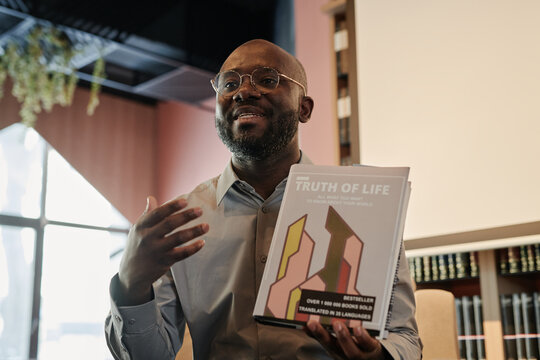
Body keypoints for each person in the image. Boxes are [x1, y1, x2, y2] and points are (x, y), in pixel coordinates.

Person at [105, 39, 422, 360]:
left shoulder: (365, 209)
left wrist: (379, 357)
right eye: (229, 84)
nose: (243, 91)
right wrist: (132, 285)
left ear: (304, 108)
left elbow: (405, 338)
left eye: (267, 79)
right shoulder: (182, 223)